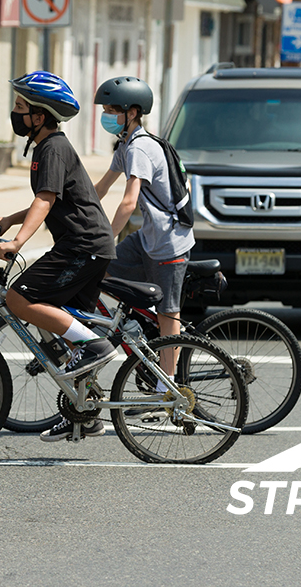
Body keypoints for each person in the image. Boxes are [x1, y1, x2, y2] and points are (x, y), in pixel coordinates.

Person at [0, 71, 117, 442]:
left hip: (82, 245)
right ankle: (85, 412)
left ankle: (95, 347)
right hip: (88, 245)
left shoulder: (52, 148)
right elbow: (50, 198)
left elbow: (45, 199)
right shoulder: (48, 147)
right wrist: (9, 220)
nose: (15, 113)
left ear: (39, 115)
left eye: (20, 106)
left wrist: (17, 241)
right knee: (64, 328)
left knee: (19, 298)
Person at [92, 76, 195, 393]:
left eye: (112, 110)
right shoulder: (126, 145)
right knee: (97, 271)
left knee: (168, 312)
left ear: (133, 112)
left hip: (169, 242)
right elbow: (101, 188)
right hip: (147, 237)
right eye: (105, 109)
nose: (107, 115)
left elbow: (128, 201)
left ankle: (168, 384)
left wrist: (105, 240)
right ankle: (140, 323)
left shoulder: (140, 148)